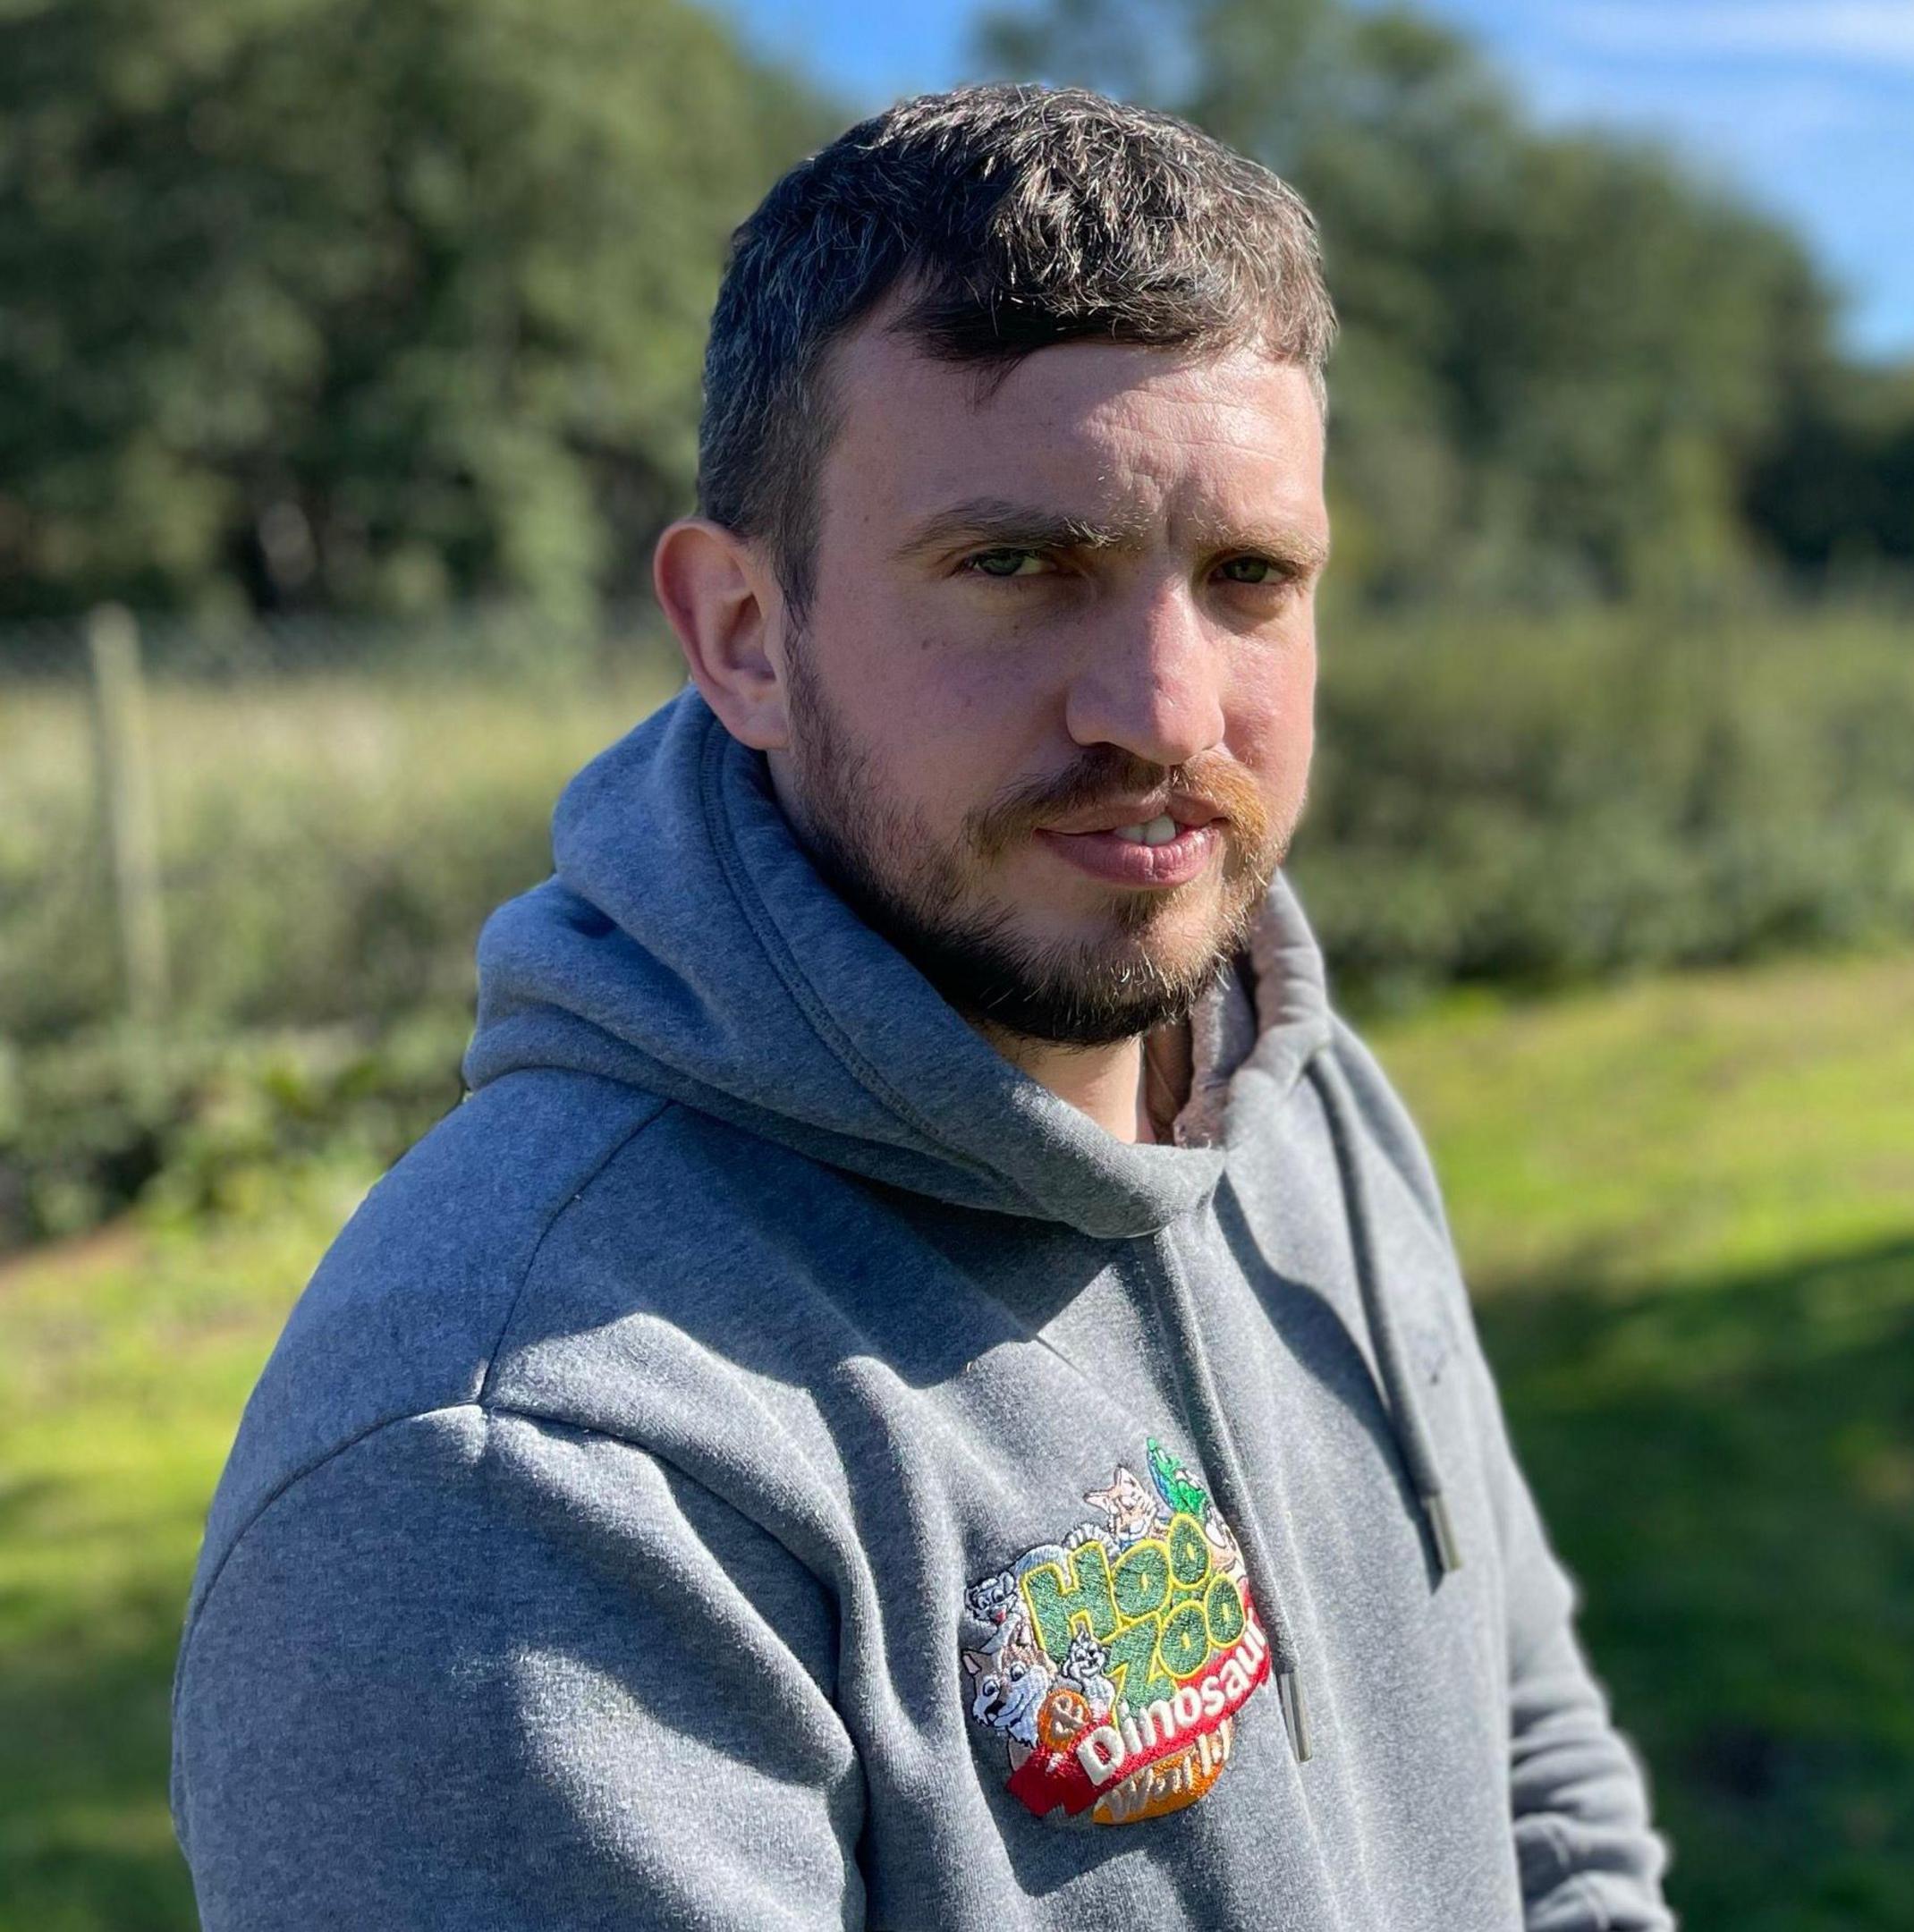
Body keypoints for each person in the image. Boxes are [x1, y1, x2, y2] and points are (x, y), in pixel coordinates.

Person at [168, 85, 1672, 1931]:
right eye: (1018, 566)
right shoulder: (516, 1483)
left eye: (1250, 579)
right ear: (742, 633)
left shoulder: (1302, 1090)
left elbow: (1531, 1760)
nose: (1166, 712)